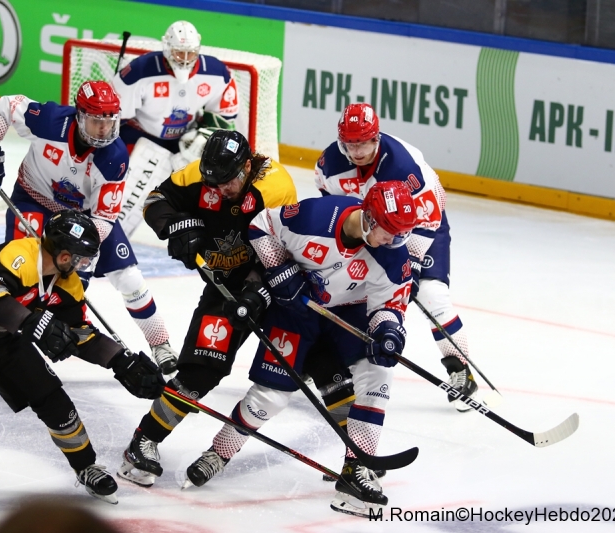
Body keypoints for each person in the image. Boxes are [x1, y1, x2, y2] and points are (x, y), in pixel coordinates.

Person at [181, 181, 418, 518]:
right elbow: (261, 225)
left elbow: (390, 304)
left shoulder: (393, 254)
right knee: (270, 397)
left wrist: (388, 329)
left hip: (349, 313)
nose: (394, 241)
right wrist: (281, 271)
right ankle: (218, 452)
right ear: (368, 217)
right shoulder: (315, 218)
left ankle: (356, 470)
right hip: (294, 312)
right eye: (390, 232)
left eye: (401, 234)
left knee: (378, 372)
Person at [0, 210, 164, 533]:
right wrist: (33, 321)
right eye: (81, 258)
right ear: (64, 255)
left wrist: (121, 361)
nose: (83, 265)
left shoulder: (67, 283)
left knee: (53, 400)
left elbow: (79, 332)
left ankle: (86, 466)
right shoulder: (18, 255)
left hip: (3, 335)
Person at [115, 129, 296, 488]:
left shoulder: (275, 189)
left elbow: (285, 255)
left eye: (228, 182)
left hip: (280, 287)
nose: (221, 189)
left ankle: (357, 461)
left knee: (316, 367)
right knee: (199, 371)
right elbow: (155, 201)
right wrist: (177, 226)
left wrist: (257, 291)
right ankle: (144, 441)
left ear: (247, 166)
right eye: (214, 182)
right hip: (225, 289)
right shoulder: (201, 174)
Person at [0, 80, 179, 375]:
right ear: (79, 116)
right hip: (34, 200)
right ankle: (3, 345)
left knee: (129, 277)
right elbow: (4, 105)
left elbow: (104, 219)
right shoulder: (48, 121)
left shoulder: (115, 156)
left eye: (110, 121)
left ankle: (160, 343)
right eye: (96, 121)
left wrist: (82, 258)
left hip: (87, 219)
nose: (104, 129)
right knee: (22, 275)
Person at [314, 103, 480, 411]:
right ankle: (335, 361)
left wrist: (411, 264)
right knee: (348, 292)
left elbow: (432, 209)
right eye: (350, 144)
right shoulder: (329, 164)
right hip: (371, 231)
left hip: (420, 227)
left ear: (375, 138)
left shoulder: (404, 164)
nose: (356, 151)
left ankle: (460, 369)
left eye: (363, 143)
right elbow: (332, 206)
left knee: (431, 294)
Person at [111, 20, 240, 237]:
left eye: (191, 53)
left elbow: (223, 117)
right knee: (124, 191)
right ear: (167, 48)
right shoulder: (140, 71)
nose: (185, 58)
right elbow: (116, 117)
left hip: (186, 139)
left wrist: (202, 138)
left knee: (211, 185)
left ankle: (213, 235)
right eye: (179, 53)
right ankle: (109, 230)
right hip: (140, 134)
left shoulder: (218, 73)